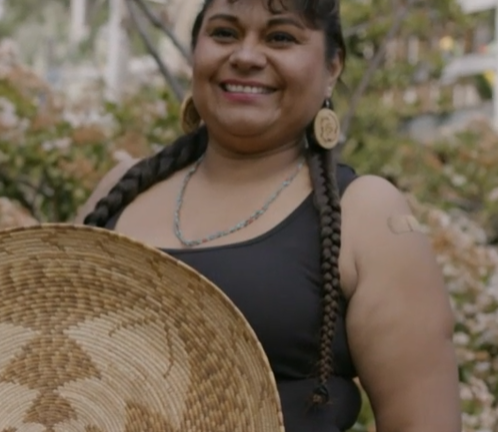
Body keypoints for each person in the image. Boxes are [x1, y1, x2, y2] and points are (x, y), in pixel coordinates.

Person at [74, 0, 462, 431]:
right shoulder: (119, 190)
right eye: (224, 33)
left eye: (281, 37)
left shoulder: (366, 212)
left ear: (332, 67)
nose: (245, 56)